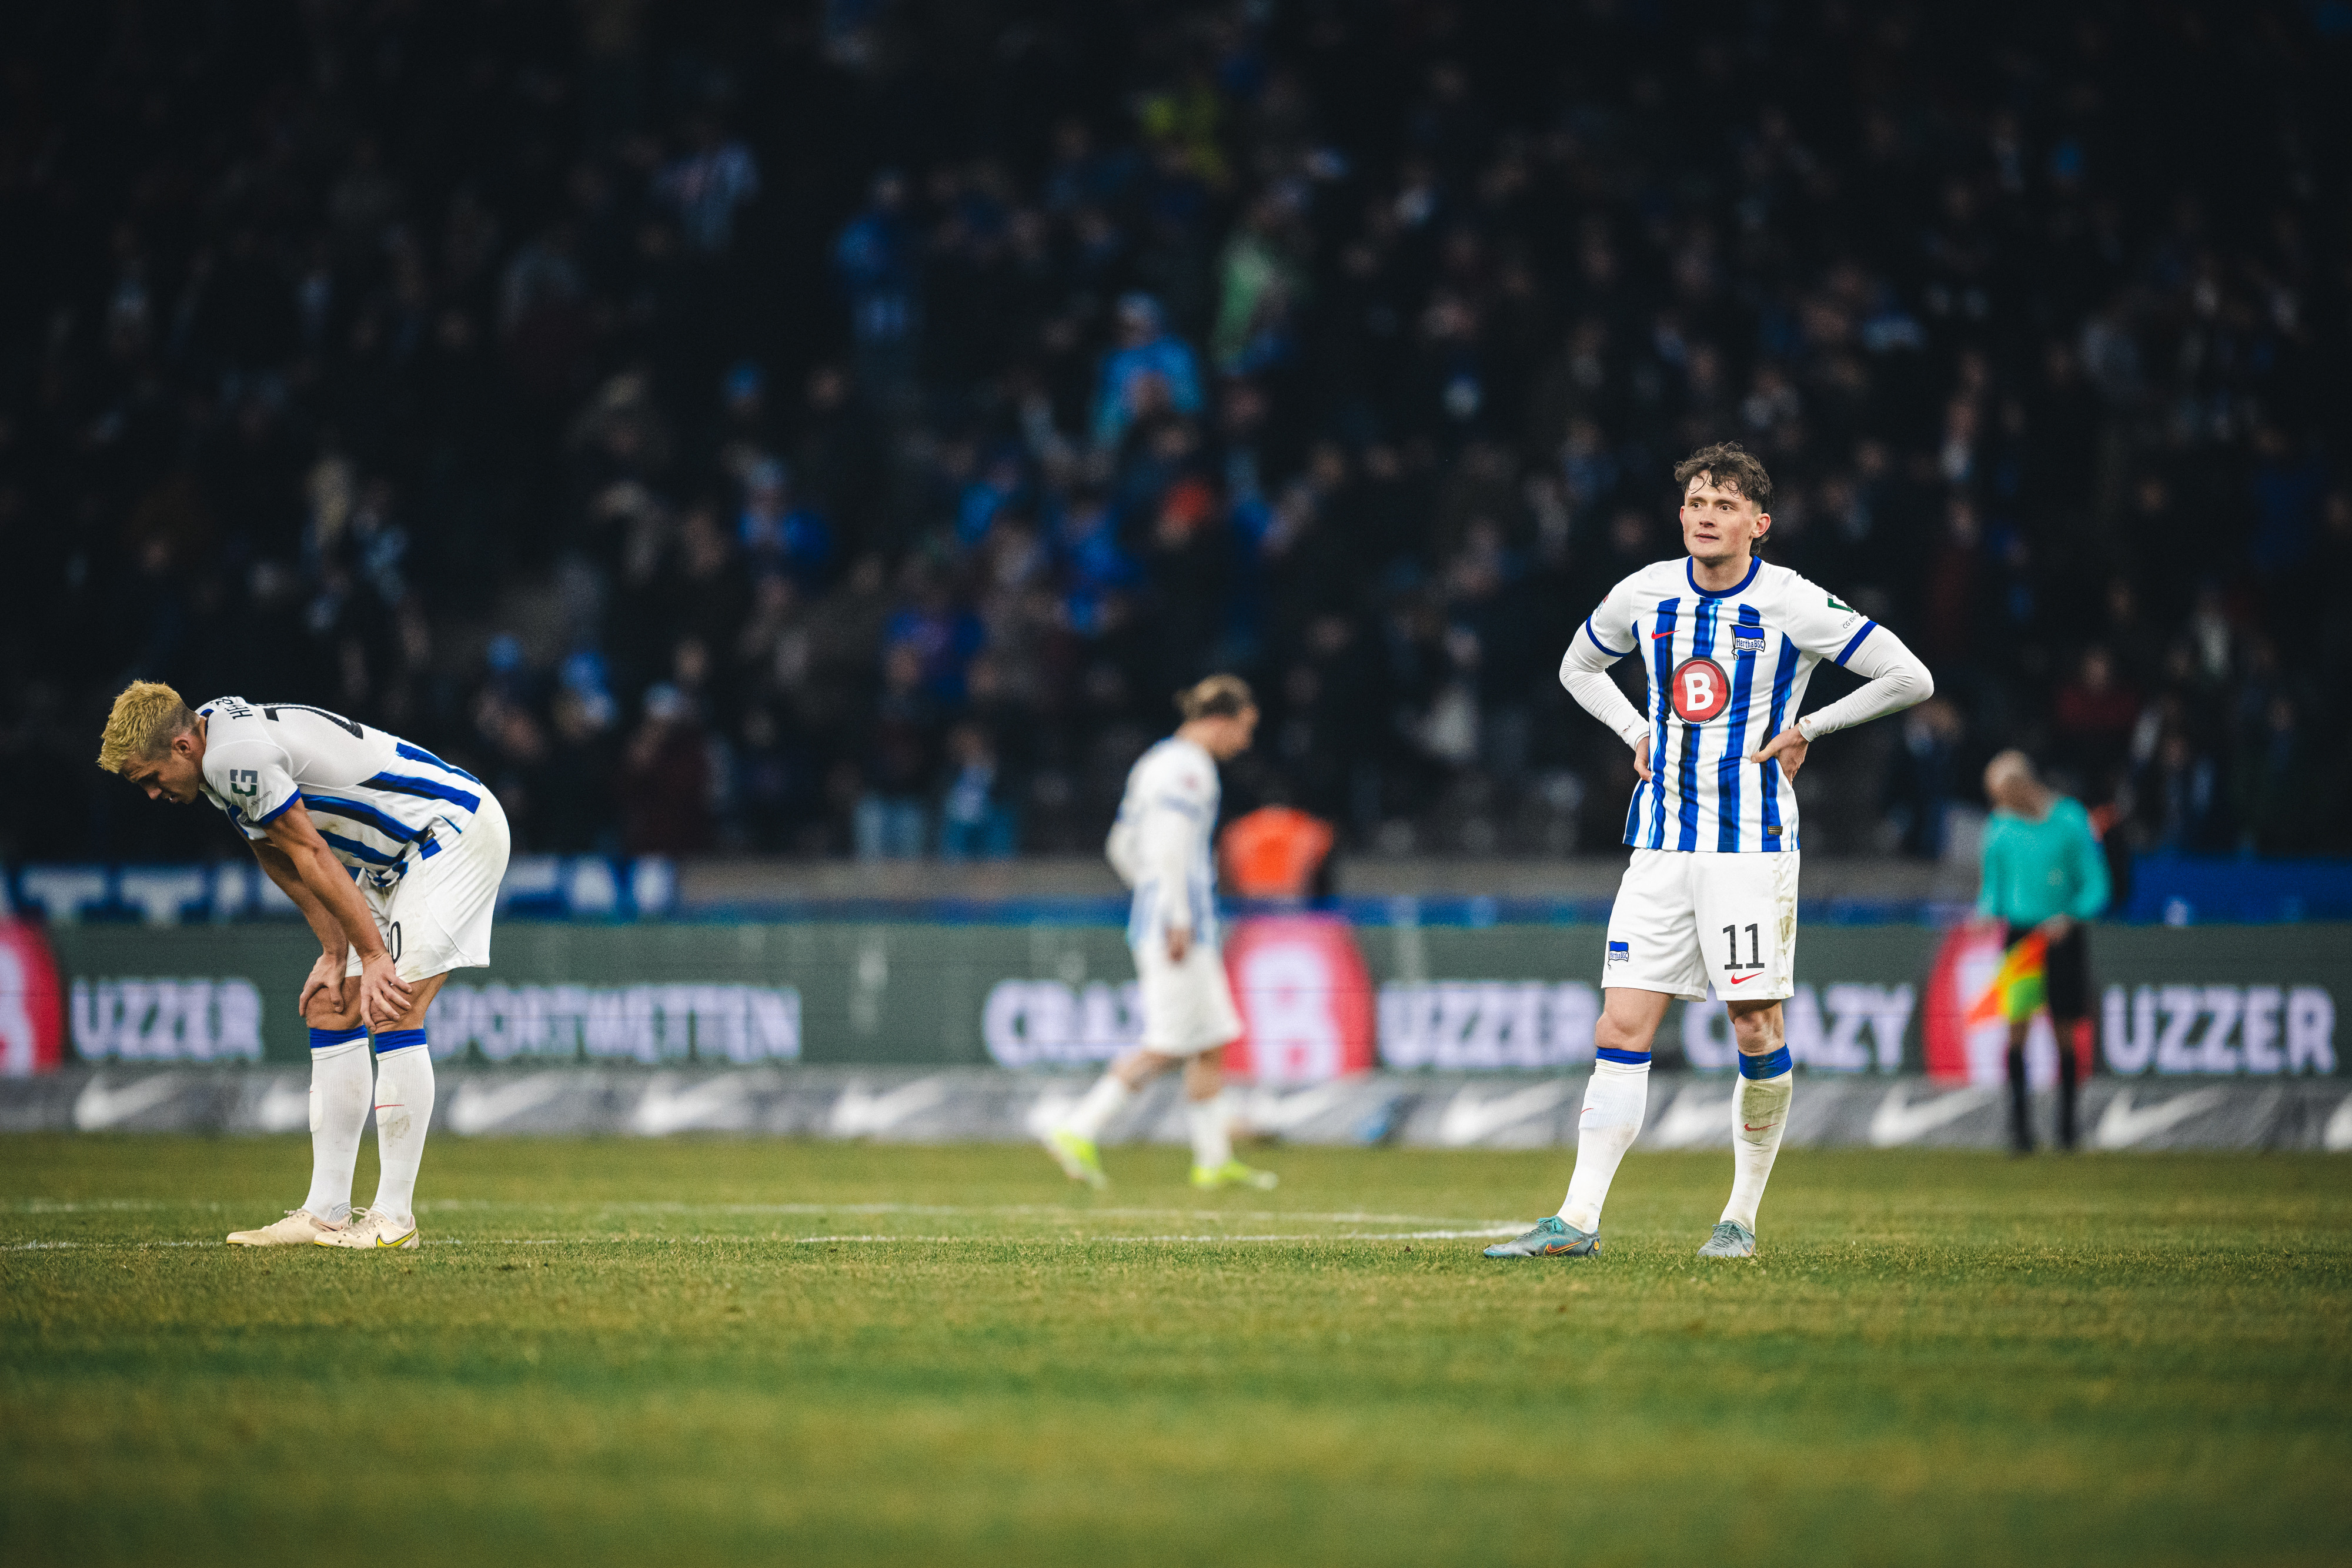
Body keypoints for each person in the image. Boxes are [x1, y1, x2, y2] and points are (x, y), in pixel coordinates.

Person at [1484, 442, 1934, 1262]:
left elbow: (1909, 676)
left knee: (1756, 1026)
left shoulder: (1793, 601)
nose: (1705, 515)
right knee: (1621, 1021)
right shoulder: (1646, 592)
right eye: (1696, 501)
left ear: (1759, 524)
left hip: (1749, 848)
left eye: (1725, 505)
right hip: (1659, 840)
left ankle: (1740, 1218)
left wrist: (1810, 725)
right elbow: (1578, 664)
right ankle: (1576, 1220)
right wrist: (1636, 729)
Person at [95, 682, 511, 1251]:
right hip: (393, 857)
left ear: (184, 747)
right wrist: (335, 951)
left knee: (391, 1007)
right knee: (330, 1004)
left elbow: (312, 851)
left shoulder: (232, 757)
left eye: (150, 777)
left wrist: (369, 954)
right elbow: (277, 851)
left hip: (449, 832)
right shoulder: (214, 742)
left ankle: (395, 1219)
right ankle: (326, 1211)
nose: (150, 793)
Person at [1044, 674, 1275, 1191]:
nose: (1245, 741)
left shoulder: (1155, 762)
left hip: (1175, 919)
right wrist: (1174, 914)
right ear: (1219, 720)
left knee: (1212, 1039)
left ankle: (1214, 1161)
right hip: (1181, 926)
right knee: (1170, 1043)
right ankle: (1078, 1127)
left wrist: (1150, 893)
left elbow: (1120, 845)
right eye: (1243, 727)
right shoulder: (1189, 771)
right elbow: (1170, 846)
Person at [1976, 749, 2110, 1151]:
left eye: (2003, 793)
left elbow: (2096, 885)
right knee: (2016, 1027)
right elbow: (1993, 890)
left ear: (2022, 785)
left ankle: (2068, 1128)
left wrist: (2070, 916)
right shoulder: (2000, 827)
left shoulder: (2070, 820)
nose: (2000, 804)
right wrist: (1984, 914)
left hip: (2062, 937)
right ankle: (2020, 1129)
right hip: (2020, 938)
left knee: (2064, 1031)